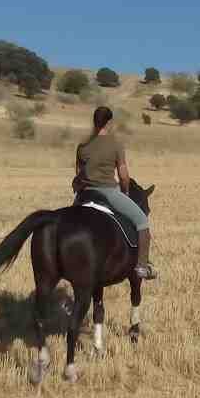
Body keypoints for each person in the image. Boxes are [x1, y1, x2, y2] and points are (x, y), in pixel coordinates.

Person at [73, 106, 158, 280]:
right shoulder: (116, 145)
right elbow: (123, 175)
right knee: (142, 221)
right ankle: (142, 267)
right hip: (108, 192)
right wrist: (125, 191)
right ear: (109, 122)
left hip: (85, 195)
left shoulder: (82, 146)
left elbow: (79, 175)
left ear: (94, 122)